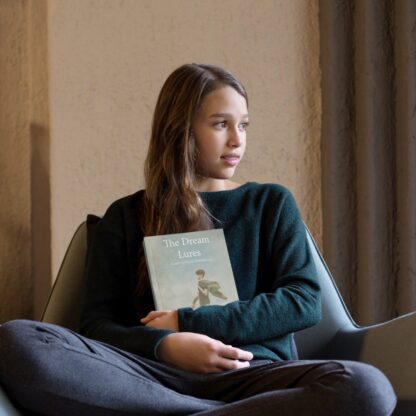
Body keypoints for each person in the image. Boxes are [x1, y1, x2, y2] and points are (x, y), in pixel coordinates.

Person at [0, 63, 396, 415]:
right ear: (181, 130)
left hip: (253, 375)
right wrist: (166, 346)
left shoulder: (270, 203)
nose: (237, 140)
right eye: (221, 124)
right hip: (151, 378)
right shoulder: (125, 216)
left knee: (366, 388)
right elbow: (98, 326)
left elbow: (303, 302)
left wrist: (186, 322)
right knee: (17, 340)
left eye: (243, 125)